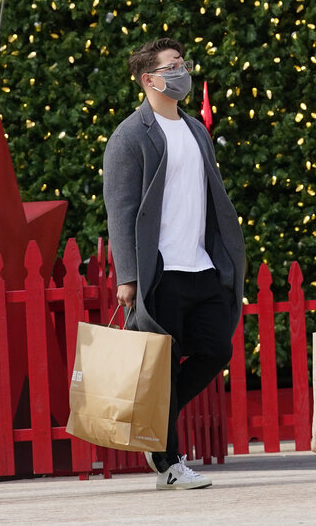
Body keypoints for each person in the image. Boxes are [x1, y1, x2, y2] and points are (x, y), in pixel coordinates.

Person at [102, 38, 245, 490]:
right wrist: (128, 276)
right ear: (149, 80)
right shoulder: (130, 136)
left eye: (183, 63)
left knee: (216, 348)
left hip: (200, 264)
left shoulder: (196, 129)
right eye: (172, 66)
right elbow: (120, 209)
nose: (182, 72)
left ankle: (153, 423)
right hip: (158, 271)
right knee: (162, 367)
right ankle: (168, 462)